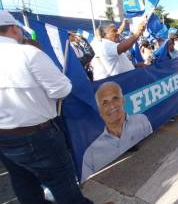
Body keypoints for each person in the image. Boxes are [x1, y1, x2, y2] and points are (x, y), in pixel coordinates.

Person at [0, 11, 92, 204]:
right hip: (37, 135)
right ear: (14, 28)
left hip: (4, 137)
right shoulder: (28, 53)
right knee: (62, 183)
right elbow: (62, 90)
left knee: (23, 182)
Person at [82, 81, 153, 181]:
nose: (111, 106)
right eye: (105, 102)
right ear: (99, 111)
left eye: (115, 98)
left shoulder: (141, 121)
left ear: (123, 100)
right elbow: (90, 189)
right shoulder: (91, 154)